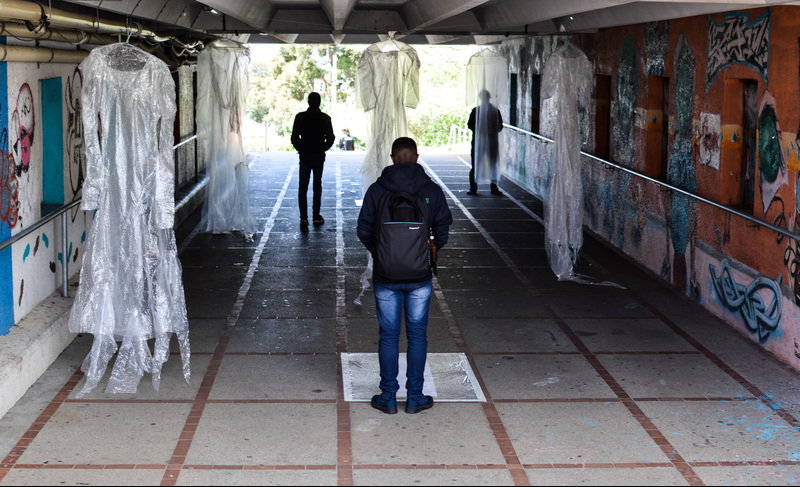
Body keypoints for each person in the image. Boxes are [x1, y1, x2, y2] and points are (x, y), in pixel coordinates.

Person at [357, 137, 453, 414]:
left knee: (388, 335)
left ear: (392, 157)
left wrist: (383, 253)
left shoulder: (377, 189)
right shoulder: (431, 190)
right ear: (417, 157)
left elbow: (363, 230)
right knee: (417, 334)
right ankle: (415, 397)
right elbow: (443, 230)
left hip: (386, 276)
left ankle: (387, 396)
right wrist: (424, 253)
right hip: (419, 275)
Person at [291, 92, 335, 229]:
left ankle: (303, 218)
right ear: (319, 102)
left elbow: (294, 137)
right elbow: (331, 137)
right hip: (318, 156)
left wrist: (301, 148)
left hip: (305, 156)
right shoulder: (325, 118)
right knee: (317, 186)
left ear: (308, 102)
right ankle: (316, 216)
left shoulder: (300, 117)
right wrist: (323, 148)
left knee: (302, 187)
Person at [467, 89, 503, 195]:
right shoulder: (477, 111)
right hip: (481, 142)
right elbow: (470, 125)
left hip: (488, 142)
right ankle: (477, 187)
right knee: (478, 164)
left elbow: (499, 126)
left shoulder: (491, 111)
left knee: (489, 164)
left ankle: (488, 187)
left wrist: (489, 131)